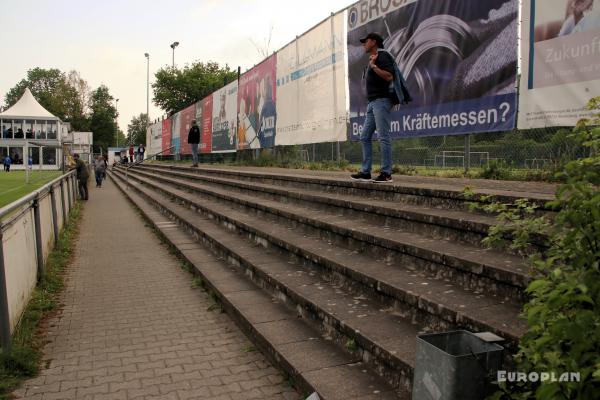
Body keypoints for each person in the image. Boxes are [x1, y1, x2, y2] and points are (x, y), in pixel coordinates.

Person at [351, 33, 397, 183]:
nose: (363, 44)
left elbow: (389, 76)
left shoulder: (382, 56)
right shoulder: (373, 57)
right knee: (364, 136)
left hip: (381, 101)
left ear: (374, 42)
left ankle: (386, 173)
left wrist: (373, 67)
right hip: (372, 103)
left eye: (366, 41)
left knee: (383, 137)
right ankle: (365, 172)